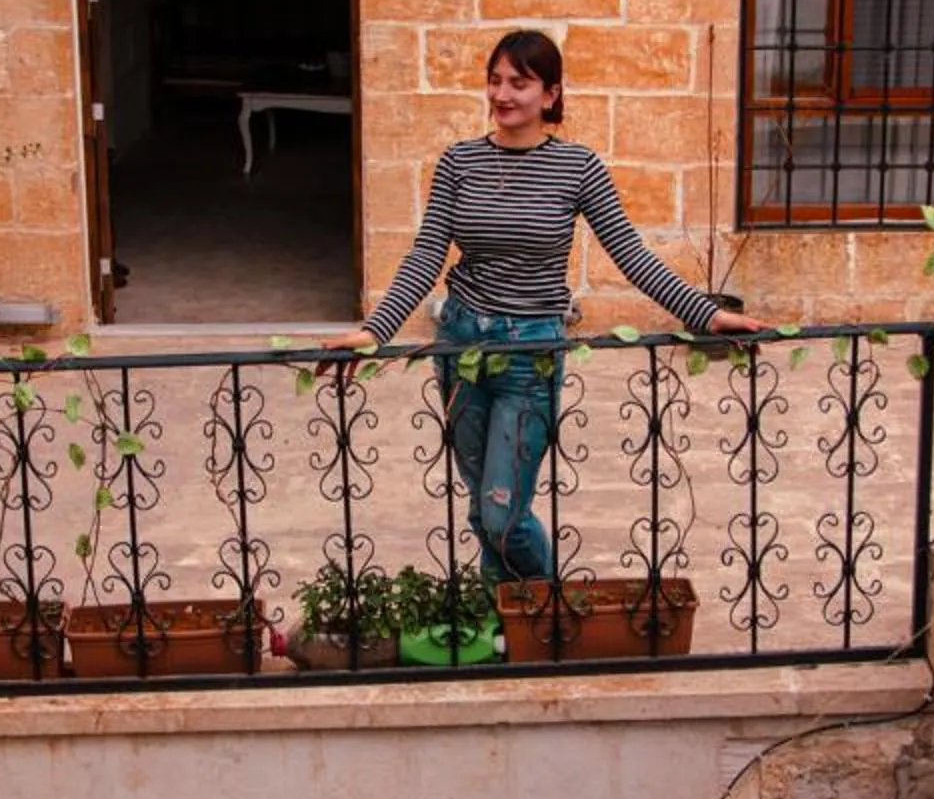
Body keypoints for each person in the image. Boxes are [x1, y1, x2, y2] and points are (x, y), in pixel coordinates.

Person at [327, 29, 768, 585]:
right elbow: (426, 255)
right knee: (480, 508)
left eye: (520, 82)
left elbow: (631, 255)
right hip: (461, 344)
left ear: (551, 95)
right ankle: (511, 622)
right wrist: (373, 331)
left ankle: (549, 610)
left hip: (528, 354)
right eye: (495, 80)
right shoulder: (459, 161)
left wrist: (706, 313)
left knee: (503, 514)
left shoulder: (577, 168)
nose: (503, 94)